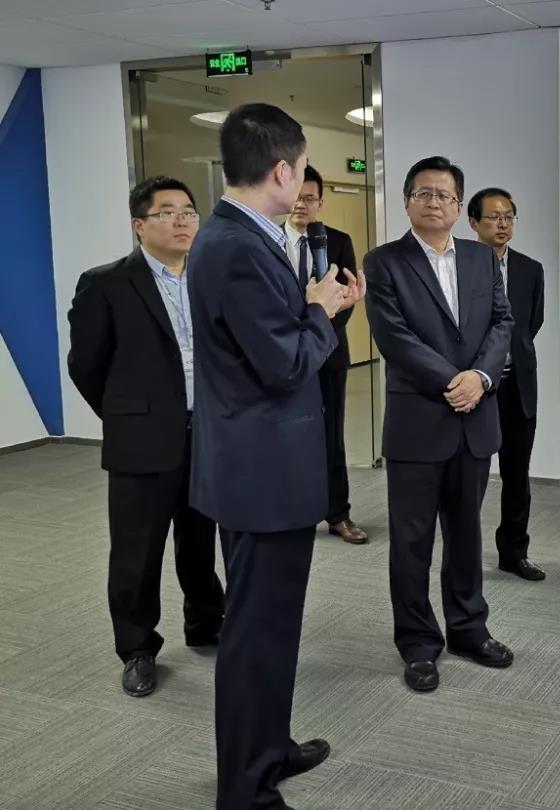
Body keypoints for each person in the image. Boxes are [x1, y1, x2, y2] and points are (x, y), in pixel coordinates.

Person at [186, 103, 362, 809]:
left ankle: (269, 748)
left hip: (261, 467)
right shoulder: (236, 246)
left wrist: (314, 305)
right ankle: (246, 788)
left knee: (273, 626)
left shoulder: (241, 235)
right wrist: (323, 310)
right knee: (256, 634)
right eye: (305, 166)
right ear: (283, 171)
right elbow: (286, 363)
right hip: (261, 477)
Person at [67, 176, 225, 699]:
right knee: (137, 551)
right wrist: (128, 415)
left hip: (207, 434)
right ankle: (136, 648)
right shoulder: (106, 283)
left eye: (189, 211)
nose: (182, 220)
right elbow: (86, 366)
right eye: (167, 212)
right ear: (139, 225)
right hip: (142, 439)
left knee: (200, 540)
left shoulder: (210, 278)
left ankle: (206, 622)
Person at [364, 156, 514, 693]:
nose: (434, 202)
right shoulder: (384, 262)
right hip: (418, 422)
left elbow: (502, 322)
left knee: (467, 534)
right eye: (423, 193)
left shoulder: (480, 257)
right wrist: (456, 381)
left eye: (445, 195)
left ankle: (469, 629)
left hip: (475, 420)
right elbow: (394, 337)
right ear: (407, 201)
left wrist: (481, 377)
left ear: (458, 206)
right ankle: (418, 642)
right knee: (412, 541)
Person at [285, 163, 368, 544]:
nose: (301, 204)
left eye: (310, 198)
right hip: (284, 356)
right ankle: (295, 512)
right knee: (289, 436)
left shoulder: (337, 241)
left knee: (332, 436)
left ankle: (338, 514)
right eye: (296, 196)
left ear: (321, 202)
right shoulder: (267, 240)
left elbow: (346, 299)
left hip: (329, 354)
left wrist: (318, 331)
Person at [467, 187, 546, 581]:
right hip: (476, 389)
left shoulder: (531, 269)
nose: (502, 224)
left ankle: (514, 553)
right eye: (493, 217)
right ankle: (465, 556)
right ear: (473, 222)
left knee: (517, 474)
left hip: (518, 387)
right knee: (472, 477)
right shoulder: (461, 266)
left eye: (508, 216)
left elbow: (532, 323)